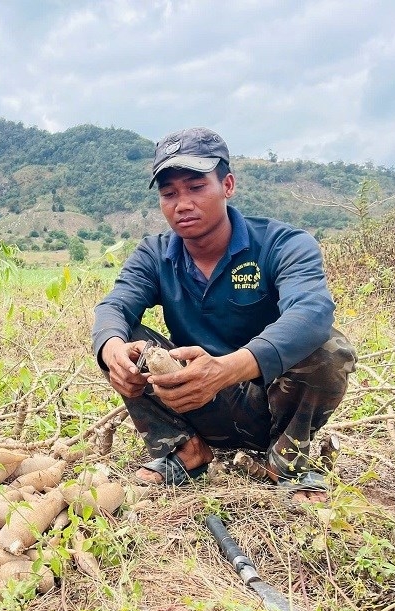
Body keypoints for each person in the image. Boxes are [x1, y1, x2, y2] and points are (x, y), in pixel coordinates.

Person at [92, 127, 357, 504]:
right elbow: (113, 307)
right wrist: (113, 352)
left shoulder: (282, 244)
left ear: (227, 185)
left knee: (328, 345)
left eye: (196, 187)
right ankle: (184, 449)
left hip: (271, 406)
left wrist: (226, 369)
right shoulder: (154, 254)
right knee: (121, 340)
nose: (182, 204)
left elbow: (312, 311)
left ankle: (286, 460)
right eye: (169, 193)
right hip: (193, 400)